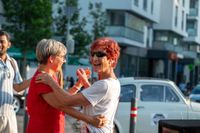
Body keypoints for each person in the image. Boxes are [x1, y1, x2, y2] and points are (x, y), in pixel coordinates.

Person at [36, 37, 121, 133]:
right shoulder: (114, 82)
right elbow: (96, 100)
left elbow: (66, 101)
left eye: (100, 55)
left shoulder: (104, 85)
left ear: (112, 60)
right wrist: (84, 82)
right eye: (93, 54)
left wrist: (51, 82)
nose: (94, 58)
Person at [0, 30, 31, 133]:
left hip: (10, 114)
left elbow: (18, 87)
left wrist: (35, 78)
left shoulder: (13, 62)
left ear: (8, 44)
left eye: (2, 41)